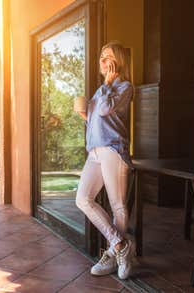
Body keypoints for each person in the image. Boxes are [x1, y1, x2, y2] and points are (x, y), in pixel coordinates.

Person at [74, 41, 135, 280]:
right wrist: (84, 115)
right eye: (101, 55)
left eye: (107, 56)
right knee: (82, 199)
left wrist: (107, 85)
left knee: (117, 205)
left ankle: (113, 254)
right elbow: (96, 119)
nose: (102, 59)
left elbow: (104, 110)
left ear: (117, 61)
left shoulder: (124, 87)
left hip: (113, 150)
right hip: (96, 152)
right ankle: (120, 244)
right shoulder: (102, 88)